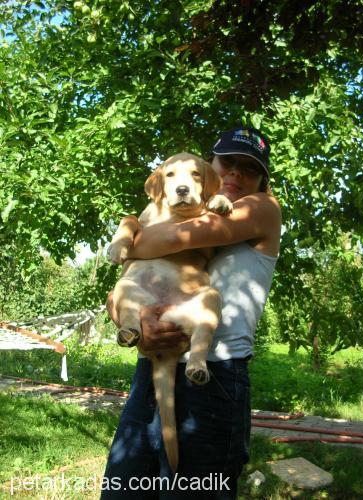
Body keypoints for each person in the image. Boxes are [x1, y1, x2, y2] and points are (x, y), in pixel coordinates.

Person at [101, 127, 281, 499]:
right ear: (211, 166)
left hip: (214, 377)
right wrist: (133, 322)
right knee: (123, 489)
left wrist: (131, 237)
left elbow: (169, 238)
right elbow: (117, 293)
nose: (234, 174)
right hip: (153, 366)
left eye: (247, 169)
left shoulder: (262, 207)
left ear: (262, 180)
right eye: (226, 163)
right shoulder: (190, 200)